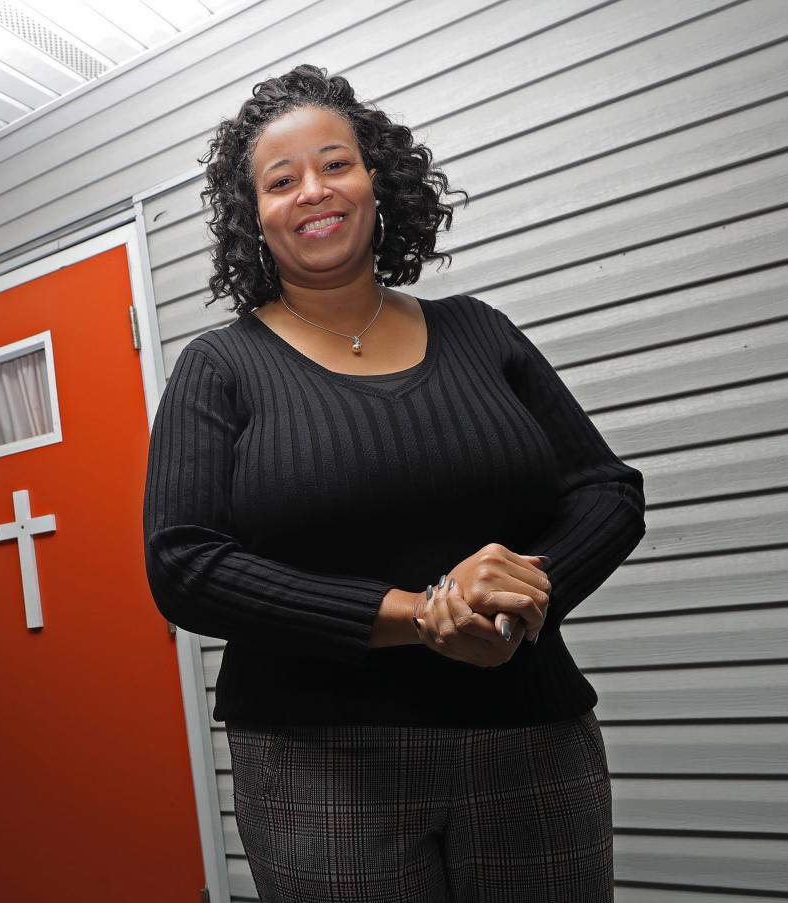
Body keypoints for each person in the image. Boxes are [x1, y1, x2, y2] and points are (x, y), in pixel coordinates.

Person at [141, 64, 646, 902]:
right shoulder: (219, 367)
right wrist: (422, 615)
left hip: (530, 736)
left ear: (380, 182)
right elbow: (184, 562)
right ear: (253, 217)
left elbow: (606, 489)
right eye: (281, 178)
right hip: (320, 763)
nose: (313, 190)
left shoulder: (480, 332)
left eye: (336, 163)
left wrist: (522, 594)